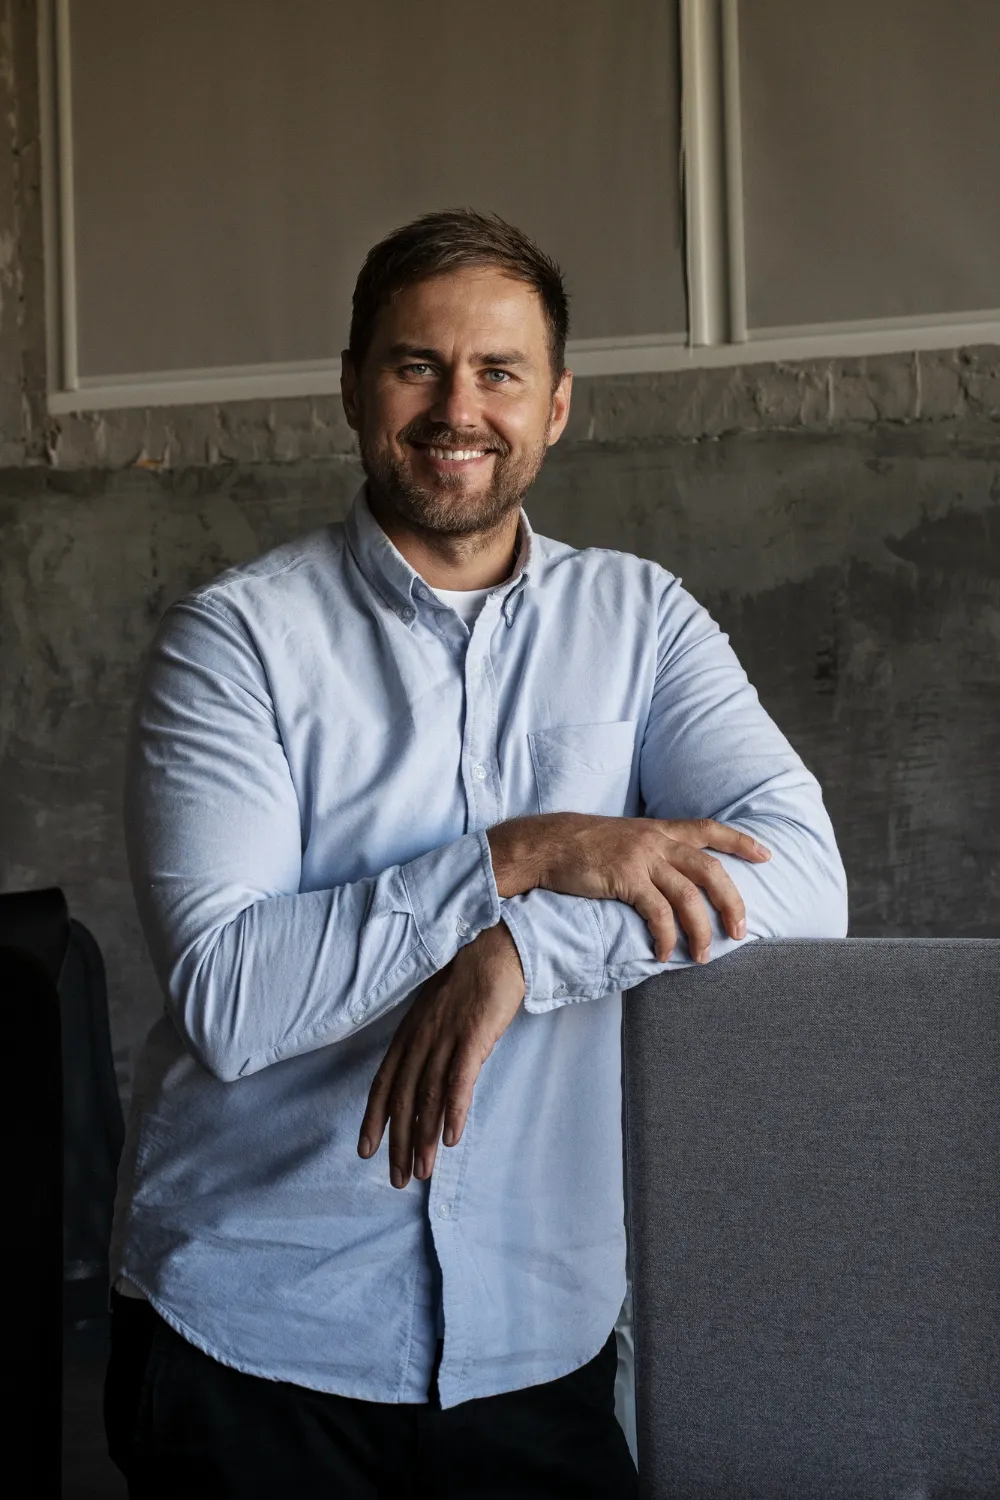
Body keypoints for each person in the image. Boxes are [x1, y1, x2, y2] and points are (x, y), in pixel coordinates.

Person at [107, 209, 848, 1497]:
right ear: (353, 387)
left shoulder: (644, 621)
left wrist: (526, 947)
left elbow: (805, 879)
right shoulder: (234, 644)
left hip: (535, 1349)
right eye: (417, 365)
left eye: (500, 372)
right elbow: (230, 997)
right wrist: (516, 854)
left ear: (556, 406)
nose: (461, 408)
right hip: (256, 1348)